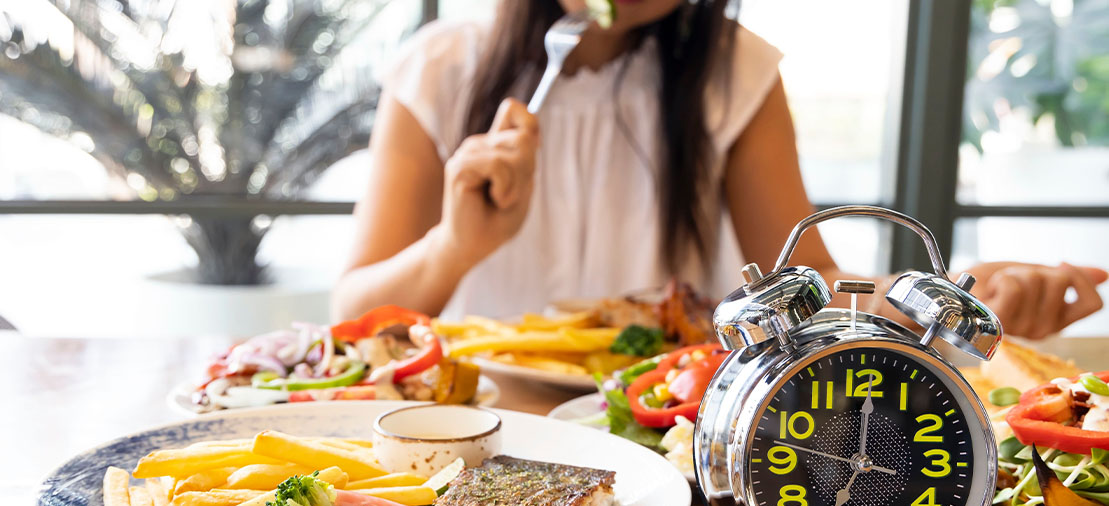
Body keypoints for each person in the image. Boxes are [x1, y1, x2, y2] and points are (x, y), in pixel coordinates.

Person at [332, 0, 1106, 340]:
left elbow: (807, 285)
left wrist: (949, 300)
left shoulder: (736, 74)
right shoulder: (436, 66)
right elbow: (349, 317)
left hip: (660, 434)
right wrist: (454, 248)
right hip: (469, 429)